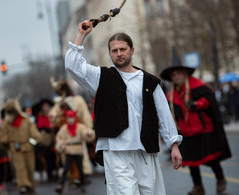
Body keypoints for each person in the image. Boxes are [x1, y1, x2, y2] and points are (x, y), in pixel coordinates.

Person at [64, 20, 183, 195]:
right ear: (110, 53)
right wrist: (81, 34)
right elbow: (73, 66)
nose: (119, 54)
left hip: (145, 151)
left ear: (132, 50)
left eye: (123, 49)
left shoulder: (150, 81)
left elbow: (163, 113)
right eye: (114, 50)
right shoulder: (100, 77)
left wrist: (173, 145)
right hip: (116, 150)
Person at [160, 47, 232, 195]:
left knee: (212, 160)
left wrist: (197, 104)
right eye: (174, 75)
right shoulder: (171, 95)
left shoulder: (198, 87)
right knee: (192, 164)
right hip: (186, 133)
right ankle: (198, 186)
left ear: (185, 73)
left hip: (204, 130)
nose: (177, 76)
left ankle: (220, 179)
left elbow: (208, 101)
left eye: (179, 73)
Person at [0, 99, 42, 194]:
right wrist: (5, 142)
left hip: (28, 147)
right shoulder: (7, 123)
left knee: (30, 168)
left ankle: (30, 185)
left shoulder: (26, 120)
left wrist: (35, 142)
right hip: (15, 148)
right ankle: (23, 186)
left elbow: (35, 135)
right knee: (20, 168)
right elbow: (3, 136)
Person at [55, 110, 95, 193]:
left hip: (78, 150)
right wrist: (62, 144)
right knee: (65, 169)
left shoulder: (80, 127)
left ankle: (83, 185)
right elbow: (59, 137)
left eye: (72, 118)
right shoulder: (64, 128)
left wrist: (89, 133)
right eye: (69, 118)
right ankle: (61, 185)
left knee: (80, 169)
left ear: (75, 118)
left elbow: (85, 133)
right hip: (69, 150)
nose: (70, 120)